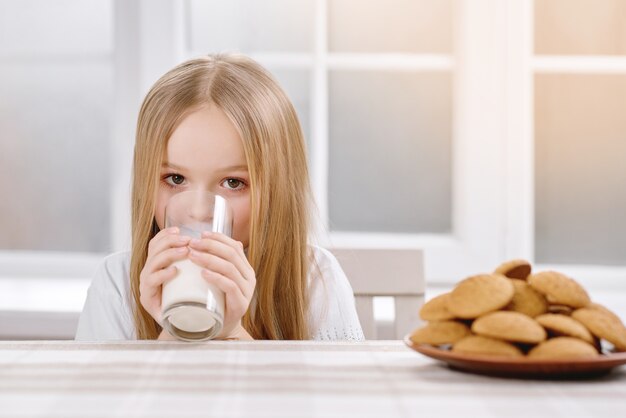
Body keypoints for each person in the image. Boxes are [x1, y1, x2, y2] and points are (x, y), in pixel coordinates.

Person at [75, 54, 364, 341]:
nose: (200, 211)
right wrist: (175, 332)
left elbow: (338, 388)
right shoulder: (116, 285)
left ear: (278, 189)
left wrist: (233, 334)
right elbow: (108, 388)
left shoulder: (316, 282)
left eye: (233, 182)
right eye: (175, 179)